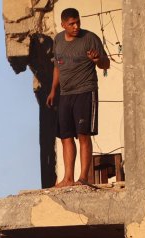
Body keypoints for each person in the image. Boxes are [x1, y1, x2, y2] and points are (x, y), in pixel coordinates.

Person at [44, 8, 110, 188]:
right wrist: (52, 90)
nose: (76, 26)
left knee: (83, 134)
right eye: (72, 24)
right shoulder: (58, 40)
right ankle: (68, 178)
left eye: (78, 22)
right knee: (65, 136)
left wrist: (97, 60)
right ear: (63, 24)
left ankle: (83, 178)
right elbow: (57, 67)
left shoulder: (90, 39)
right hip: (65, 94)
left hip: (85, 91)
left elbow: (107, 64)